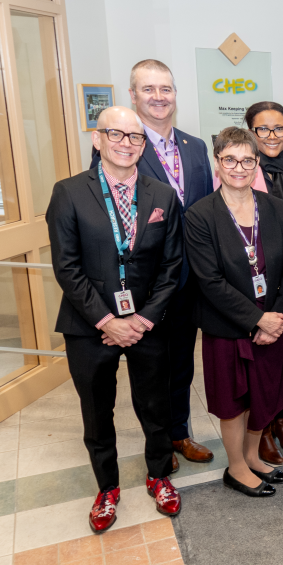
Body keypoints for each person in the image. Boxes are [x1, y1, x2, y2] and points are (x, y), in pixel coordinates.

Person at [48, 107, 183, 532]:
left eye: (135, 137)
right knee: (96, 412)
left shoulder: (162, 195)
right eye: (116, 134)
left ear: (144, 145)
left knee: (156, 406)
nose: (126, 143)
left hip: (148, 324)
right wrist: (107, 320)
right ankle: (107, 488)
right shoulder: (69, 192)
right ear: (97, 138)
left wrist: (142, 319)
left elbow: (172, 266)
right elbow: (66, 268)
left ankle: (159, 475)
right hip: (88, 325)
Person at [101, 59, 216, 470]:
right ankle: (159, 443)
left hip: (189, 282)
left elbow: (205, 212)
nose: (158, 97)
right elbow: (108, 217)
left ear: (175, 95)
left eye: (165, 88)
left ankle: (180, 432)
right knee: (150, 369)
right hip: (145, 285)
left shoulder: (195, 147)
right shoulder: (124, 146)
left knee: (182, 363)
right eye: (148, 89)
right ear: (133, 95)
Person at [185, 127, 283, 497]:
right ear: (217, 163)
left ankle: (251, 455)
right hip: (228, 325)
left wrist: (275, 318)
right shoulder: (200, 215)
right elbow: (209, 280)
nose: (239, 167)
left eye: (247, 160)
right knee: (233, 401)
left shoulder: (276, 208)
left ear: (257, 163)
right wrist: (257, 319)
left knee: (263, 394)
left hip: (273, 323)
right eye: (230, 159)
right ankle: (235, 467)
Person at [228, 101, 283, 465]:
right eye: (263, 129)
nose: (272, 136)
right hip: (253, 284)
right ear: (251, 132)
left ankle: (280, 418)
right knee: (257, 359)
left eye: (279, 128)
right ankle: (259, 428)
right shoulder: (240, 170)